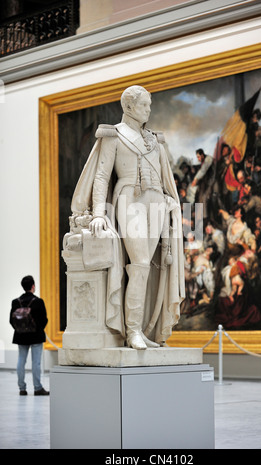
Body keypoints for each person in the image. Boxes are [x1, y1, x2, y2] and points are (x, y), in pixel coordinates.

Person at [69, 85, 185, 350]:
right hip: (129, 198)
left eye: (149, 104)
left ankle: (143, 328)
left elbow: (165, 177)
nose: (149, 109)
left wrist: (169, 201)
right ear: (130, 107)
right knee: (141, 262)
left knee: (149, 267)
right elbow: (100, 176)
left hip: (156, 202)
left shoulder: (155, 140)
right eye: (145, 105)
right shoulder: (113, 136)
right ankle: (132, 331)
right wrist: (98, 213)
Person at [9, 275, 49, 396]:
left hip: (20, 335)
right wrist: (37, 329)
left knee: (21, 360)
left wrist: (20, 329)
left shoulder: (15, 302)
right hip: (36, 336)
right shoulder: (38, 302)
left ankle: (22, 388)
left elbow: (11, 320)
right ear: (33, 286)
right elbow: (44, 320)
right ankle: (37, 388)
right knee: (36, 362)